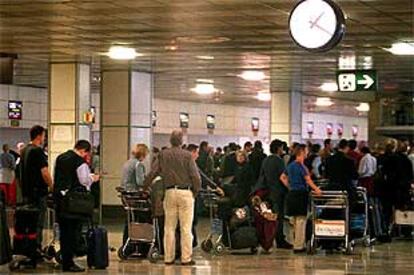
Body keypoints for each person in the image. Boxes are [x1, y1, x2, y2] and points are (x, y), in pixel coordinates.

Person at [144, 130, 201, 265]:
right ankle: (186, 258)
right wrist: (195, 192)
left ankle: (168, 257)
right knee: (186, 228)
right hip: (185, 193)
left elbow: (153, 172)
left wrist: (144, 186)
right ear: (181, 142)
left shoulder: (163, 154)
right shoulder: (187, 156)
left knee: (169, 227)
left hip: (169, 192)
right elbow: (195, 176)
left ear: (170, 141)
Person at [54, 140, 100, 272]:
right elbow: (84, 180)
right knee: (73, 232)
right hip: (74, 203)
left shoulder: (61, 158)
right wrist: (93, 179)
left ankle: (65, 259)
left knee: (64, 232)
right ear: (84, 151)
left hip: (60, 200)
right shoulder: (80, 162)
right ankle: (69, 262)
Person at [280, 147, 322, 253]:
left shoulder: (290, 166)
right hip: (300, 194)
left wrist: (289, 186)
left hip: (291, 194)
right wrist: (317, 189)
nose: (307, 154)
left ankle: (296, 242)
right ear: (302, 153)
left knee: (293, 220)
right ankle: (299, 246)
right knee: (301, 220)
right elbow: (308, 180)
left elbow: (282, 177)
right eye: (306, 152)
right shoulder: (301, 167)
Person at [19, 125, 53, 251]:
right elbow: (44, 172)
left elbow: (19, 174)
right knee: (38, 222)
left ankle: (27, 247)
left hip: (27, 193)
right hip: (38, 193)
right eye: (44, 135)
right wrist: (52, 186)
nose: (44, 138)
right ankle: (36, 247)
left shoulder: (24, 150)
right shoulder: (37, 151)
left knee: (28, 222)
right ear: (39, 136)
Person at [255, 139, 292, 249]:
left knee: (268, 216)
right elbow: (283, 177)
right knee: (278, 217)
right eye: (281, 147)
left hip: (267, 192)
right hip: (278, 192)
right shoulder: (279, 161)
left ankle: (268, 238)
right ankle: (280, 239)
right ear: (278, 148)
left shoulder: (266, 160)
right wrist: (290, 188)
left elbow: (262, 176)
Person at [120, 144, 150, 250]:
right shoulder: (138, 165)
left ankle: (127, 244)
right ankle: (142, 245)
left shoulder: (127, 163)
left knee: (129, 220)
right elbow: (140, 182)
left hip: (126, 196)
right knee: (141, 218)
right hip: (135, 196)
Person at [325, 139, 358, 205]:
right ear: (347, 147)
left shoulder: (329, 159)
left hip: (332, 188)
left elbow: (326, 173)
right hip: (346, 189)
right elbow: (355, 176)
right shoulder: (349, 161)